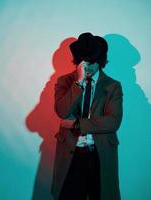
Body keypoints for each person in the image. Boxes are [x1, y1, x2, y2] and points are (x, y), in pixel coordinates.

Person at [51, 32, 123, 200]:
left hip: (100, 154)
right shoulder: (65, 82)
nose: (87, 68)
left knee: (102, 195)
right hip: (72, 153)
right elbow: (62, 112)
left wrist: (77, 124)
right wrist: (78, 83)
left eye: (92, 63)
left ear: (101, 62)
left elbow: (113, 122)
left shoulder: (113, 86)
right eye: (83, 63)